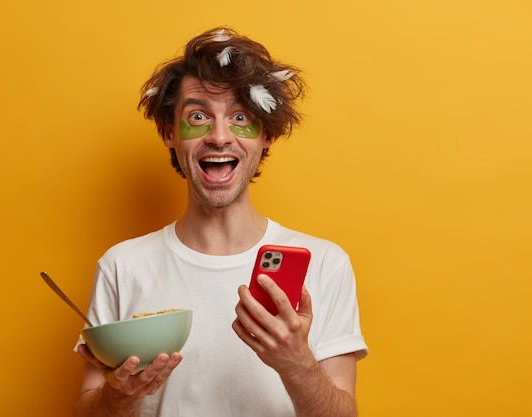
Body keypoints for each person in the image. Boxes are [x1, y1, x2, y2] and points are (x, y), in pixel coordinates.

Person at [74, 27, 368, 417]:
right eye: (198, 116)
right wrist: (120, 395)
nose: (218, 136)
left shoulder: (326, 263)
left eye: (241, 117)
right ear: (169, 133)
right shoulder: (121, 266)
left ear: (265, 135)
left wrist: (295, 363)